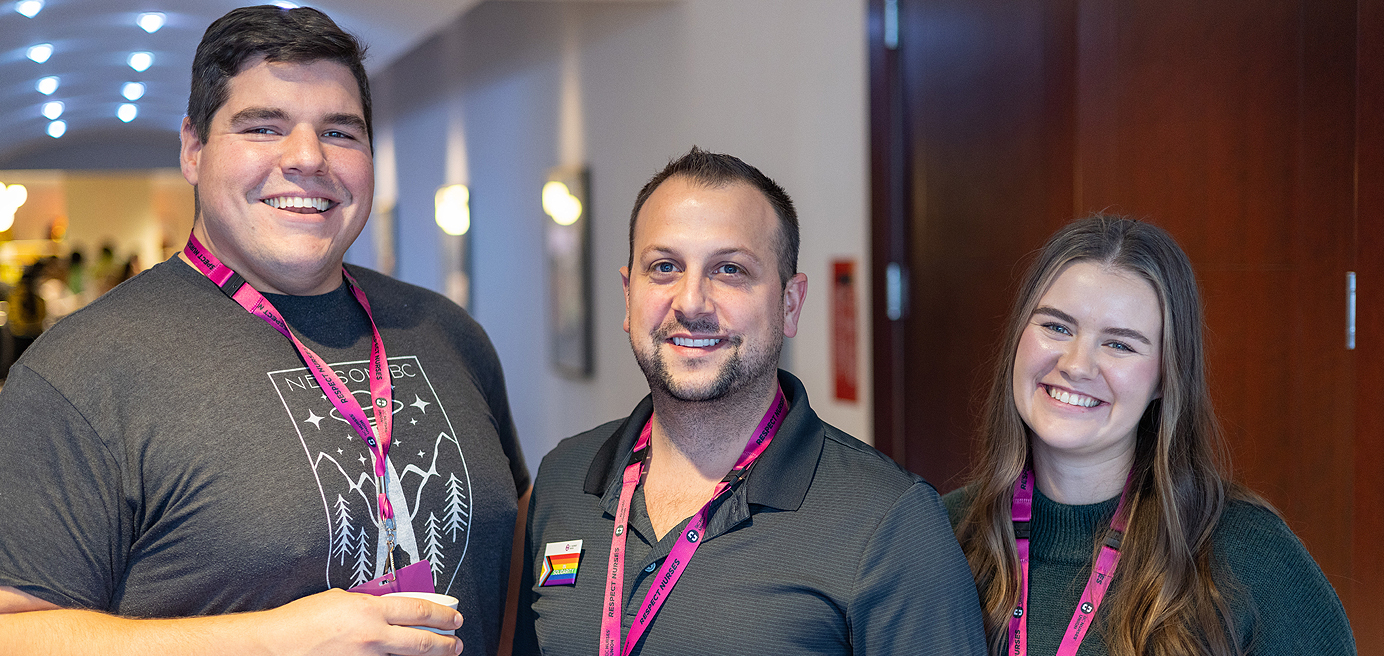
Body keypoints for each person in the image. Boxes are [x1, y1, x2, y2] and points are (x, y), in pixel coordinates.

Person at [0, 6, 527, 656]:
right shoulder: (81, 372)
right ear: (194, 148)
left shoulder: (445, 332)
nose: (307, 158)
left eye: (340, 132)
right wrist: (269, 641)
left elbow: (510, 543)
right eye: (263, 127)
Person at [514, 148, 987, 655]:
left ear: (789, 303)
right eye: (666, 267)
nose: (691, 302)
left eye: (730, 270)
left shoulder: (890, 521)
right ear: (629, 296)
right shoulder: (564, 480)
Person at [943, 216, 1355, 656]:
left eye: (1119, 344)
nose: (1077, 365)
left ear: (1164, 377)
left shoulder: (1250, 554)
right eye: (1056, 327)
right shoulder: (942, 534)